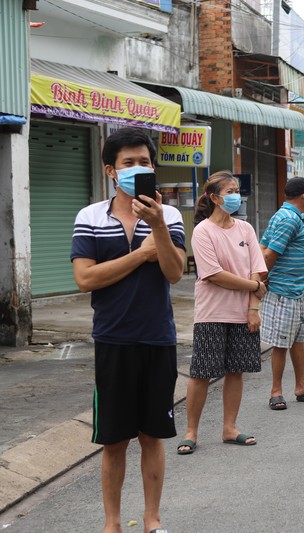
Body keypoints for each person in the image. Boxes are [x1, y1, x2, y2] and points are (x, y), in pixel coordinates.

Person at [71, 127, 186, 533]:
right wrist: (140, 256)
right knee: (114, 440)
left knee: (152, 435)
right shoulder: (90, 217)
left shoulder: (169, 216)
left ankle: (152, 521)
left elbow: (174, 273)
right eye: (128, 163)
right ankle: (113, 523)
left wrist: (155, 227)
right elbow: (85, 279)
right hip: (113, 340)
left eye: (144, 162)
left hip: (158, 338)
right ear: (110, 171)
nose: (138, 169)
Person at [176, 171, 266, 456]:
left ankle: (230, 428)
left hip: (243, 313)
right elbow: (214, 274)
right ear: (214, 198)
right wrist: (255, 286)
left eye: (237, 190)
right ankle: (191, 431)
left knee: (235, 371)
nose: (235, 195)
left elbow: (258, 268)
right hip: (212, 313)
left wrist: (253, 307)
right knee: (201, 373)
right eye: (229, 191)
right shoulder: (203, 231)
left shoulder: (245, 229)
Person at [259, 177, 304, 411]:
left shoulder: (285, 215)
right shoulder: (289, 219)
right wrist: (258, 282)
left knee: (298, 340)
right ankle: (276, 391)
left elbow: (262, 246)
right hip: (284, 291)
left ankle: (302, 386)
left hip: (297, 291)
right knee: (281, 343)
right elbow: (268, 254)